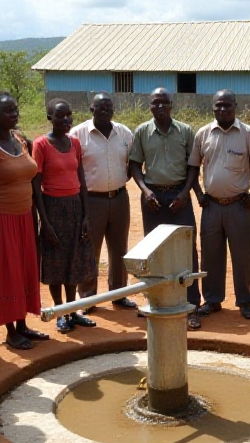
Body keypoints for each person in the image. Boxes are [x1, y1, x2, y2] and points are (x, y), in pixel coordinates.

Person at [0, 91, 48, 350]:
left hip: (24, 215)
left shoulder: (19, 140)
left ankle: (23, 323)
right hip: (0, 218)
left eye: (15, 110)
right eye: (8, 111)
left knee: (25, 268)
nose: (14, 115)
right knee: (7, 272)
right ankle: (10, 331)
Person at [187, 89, 250, 321]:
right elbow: (193, 166)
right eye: (218, 106)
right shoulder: (203, 134)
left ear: (235, 106)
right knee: (211, 256)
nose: (222, 109)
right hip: (211, 206)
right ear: (213, 107)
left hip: (238, 206)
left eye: (227, 105)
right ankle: (212, 300)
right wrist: (199, 194)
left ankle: (246, 302)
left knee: (242, 255)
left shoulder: (248, 134)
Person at [130, 88, 203, 329]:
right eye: (155, 103)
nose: (160, 107)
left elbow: (193, 166)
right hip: (152, 196)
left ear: (172, 105)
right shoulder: (142, 131)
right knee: (153, 250)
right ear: (149, 106)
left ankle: (192, 305)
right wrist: (145, 191)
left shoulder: (185, 131)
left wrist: (184, 194)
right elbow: (135, 166)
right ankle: (155, 301)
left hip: (179, 195)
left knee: (186, 248)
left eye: (164, 102)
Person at [33, 98, 97, 333]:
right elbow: (36, 184)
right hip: (53, 207)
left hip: (75, 207)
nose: (66, 120)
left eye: (69, 115)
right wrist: (45, 222)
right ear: (50, 118)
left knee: (75, 260)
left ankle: (73, 310)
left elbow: (80, 178)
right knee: (56, 262)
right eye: (60, 116)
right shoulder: (41, 145)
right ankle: (60, 311)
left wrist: (86, 216)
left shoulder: (75, 143)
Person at [70, 92, 137, 312]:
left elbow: (131, 165)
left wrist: (117, 182)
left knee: (120, 248)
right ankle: (88, 297)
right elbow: (72, 168)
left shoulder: (124, 132)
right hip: (91, 200)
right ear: (91, 109)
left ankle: (118, 292)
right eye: (100, 107)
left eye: (108, 107)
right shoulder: (78, 134)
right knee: (90, 248)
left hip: (119, 198)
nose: (105, 111)